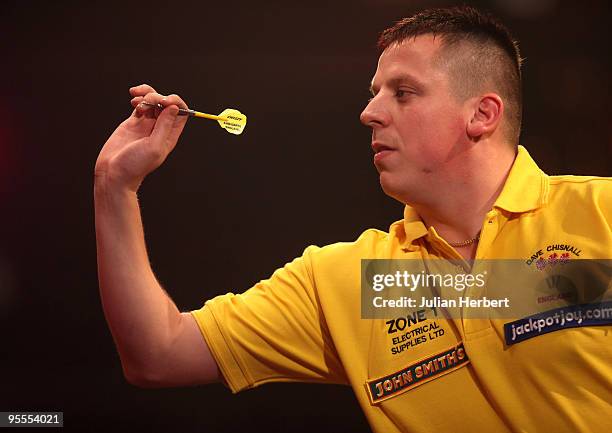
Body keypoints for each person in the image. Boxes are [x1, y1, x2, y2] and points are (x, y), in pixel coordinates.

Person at [94, 5, 611, 433]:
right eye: (374, 94)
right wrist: (115, 188)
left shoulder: (600, 217)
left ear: (482, 114)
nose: (370, 113)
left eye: (403, 93)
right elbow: (157, 355)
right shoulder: (348, 281)